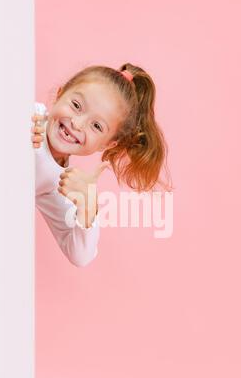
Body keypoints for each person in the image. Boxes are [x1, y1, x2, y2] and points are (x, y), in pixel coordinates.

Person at [31, 63, 174, 267]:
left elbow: (80, 256)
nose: (77, 124)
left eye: (97, 126)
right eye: (76, 106)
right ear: (60, 94)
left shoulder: (60, 183)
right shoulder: (32, 117)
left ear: (107, 144)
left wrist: (88, 207)